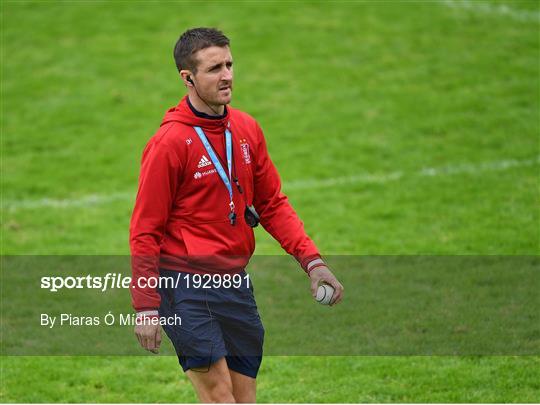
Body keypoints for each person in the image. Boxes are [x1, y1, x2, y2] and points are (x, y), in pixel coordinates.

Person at [129, 27, 344, 403]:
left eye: (229, 64)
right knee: (219, 396)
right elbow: (145, 230)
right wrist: (146, 306)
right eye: (214, 68)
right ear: (188, 77)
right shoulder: (169, 144)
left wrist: (313, 262)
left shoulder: (246, 129)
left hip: (233, 283)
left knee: (244, 398)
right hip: (183, 288)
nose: (227, 75)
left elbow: (272, 204)